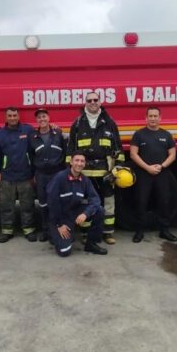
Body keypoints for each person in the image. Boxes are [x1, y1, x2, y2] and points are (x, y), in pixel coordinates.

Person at [66, 91, 124, 244]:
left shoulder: (109, 122)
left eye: (95, 100)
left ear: (100, 102)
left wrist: (117, 168)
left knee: (108, 202)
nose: (92, 102)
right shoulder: (78, 123)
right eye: (89, 100)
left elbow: (118, 148)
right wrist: (70, 170)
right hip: (84, 172)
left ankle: (108, 233)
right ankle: (86, 233)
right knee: (85, 202)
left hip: (106, 171)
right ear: (85, 103)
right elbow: (71, 149)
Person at [129, 107, 177, 243]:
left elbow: (172, 155)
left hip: (162, 173)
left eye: (155, 116)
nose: (153, 119)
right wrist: (147, 168)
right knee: (141, 202)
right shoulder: (139, 134)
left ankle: (164, 230)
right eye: (150, 116)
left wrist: (161, 166)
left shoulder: (166, 135)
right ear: (146, 118)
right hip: (144, 173)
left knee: (164, 201)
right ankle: (139, 231)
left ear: (160, 118)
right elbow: (133, 154)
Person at [46, 151, 107, 256]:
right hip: (60, 218)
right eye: (77, 160)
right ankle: (57, 235)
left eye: (82, 161)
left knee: (100, 210)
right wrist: (59, 224)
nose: (79, 163)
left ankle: (91, 244)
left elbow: (95, 199)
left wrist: (85, 214)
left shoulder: (85, 180)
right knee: (64, 252)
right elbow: (52, 203)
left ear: (84, 164)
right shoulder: (60, 178)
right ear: (71, 162)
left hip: (75, 212)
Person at [0, 107, 36, 242]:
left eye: (14, 115)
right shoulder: (0, 133)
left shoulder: (27, 130)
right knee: (6, 205)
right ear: (5, 118)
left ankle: (28, 230)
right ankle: (7, 231)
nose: (12, 118)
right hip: (7, 175)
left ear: (18, 116)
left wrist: (34, 172)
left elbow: (34, 152)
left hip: (25, 174)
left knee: (27, 205)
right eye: (10, 116)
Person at [29, 107, 66, 242]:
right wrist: (34, 174)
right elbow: (31, 157)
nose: (42, 119)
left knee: (56, 202)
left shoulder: (58, 133)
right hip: (41, 175)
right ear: (36, 120)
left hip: (57, 174)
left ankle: (57, 229)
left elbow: (66, 153)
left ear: (49, 118)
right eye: (39, 117)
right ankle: (46, 230)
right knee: (43, 203)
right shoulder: (32, 137)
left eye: (44, 116)